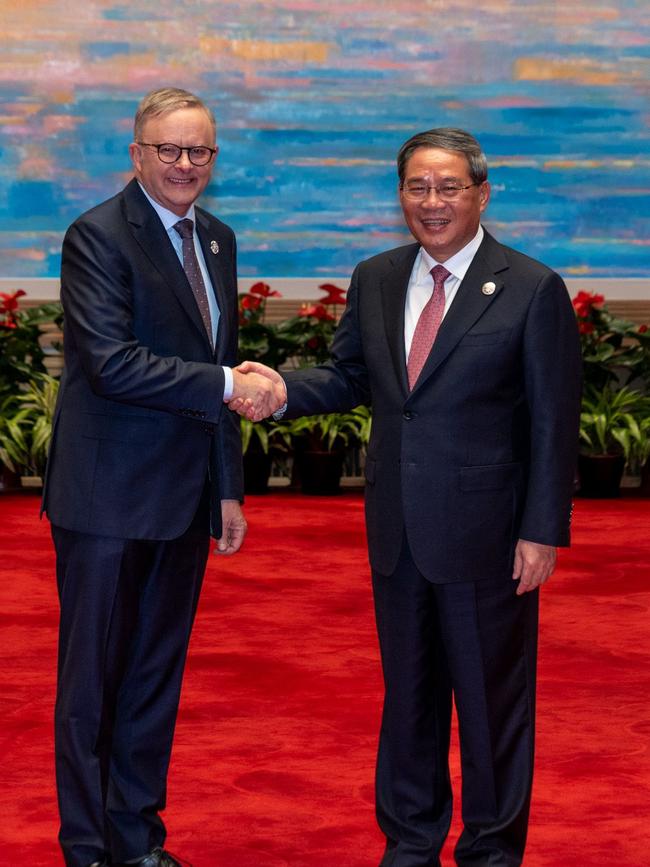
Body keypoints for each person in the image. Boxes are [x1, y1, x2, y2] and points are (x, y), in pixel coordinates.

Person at [231, 128, 582, 866]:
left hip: (490, 535)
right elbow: (353, 376)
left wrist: (542, 528)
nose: (433, 202)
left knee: (492, 707)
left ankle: (490, 847)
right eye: (418, 187)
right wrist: (283, 390)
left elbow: (554, 421)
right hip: (396, 530)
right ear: (400, 197)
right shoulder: (379, 276)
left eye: (449, 187)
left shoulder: (531, 287)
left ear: (481, 194)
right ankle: (411, 840)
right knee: (409, 698)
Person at [42, 87, 284, 867]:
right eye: (170, 150)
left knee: (153, 680)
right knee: (91, 688)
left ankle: (137, 838)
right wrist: (225, 385)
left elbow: (219, 358)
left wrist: (227, 485)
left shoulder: (216, 238)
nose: (185, 165)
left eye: (200, 151)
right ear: (137, 153)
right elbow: (112, 364)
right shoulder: (97, 236)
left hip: (182, 500)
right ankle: (87, 848)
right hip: (107, 499)